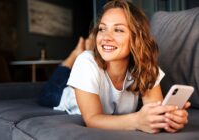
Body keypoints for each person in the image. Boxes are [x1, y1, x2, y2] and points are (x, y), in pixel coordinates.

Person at [39, 0, 190, 134]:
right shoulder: (85, 62)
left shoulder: (146, 68)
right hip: (63, 96)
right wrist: (136, 121)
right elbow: (92, 119)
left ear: (136, 38)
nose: (105, 37)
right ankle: (73, 55)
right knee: (48, 92)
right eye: (102, 29)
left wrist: (169, 119)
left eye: (118, 30)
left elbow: (154, 111)